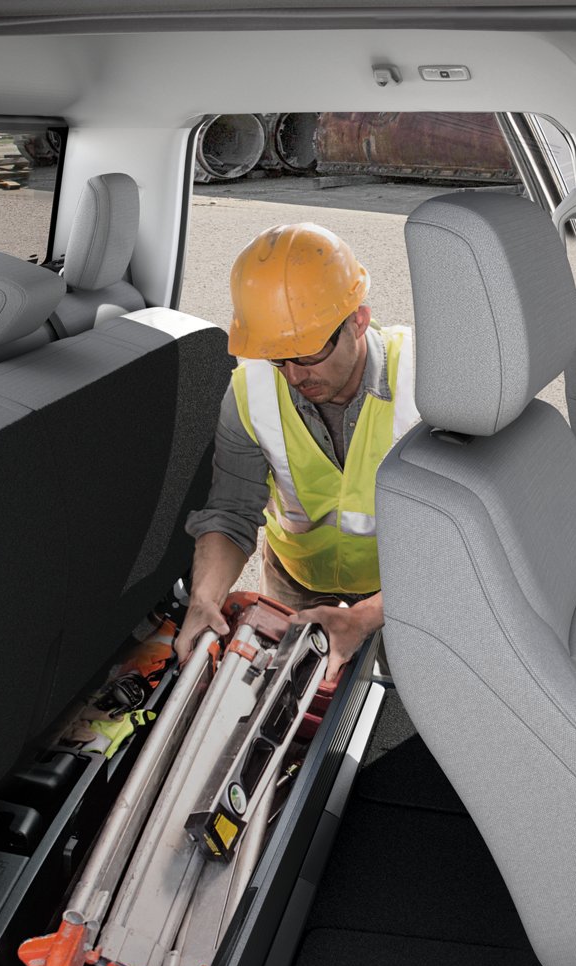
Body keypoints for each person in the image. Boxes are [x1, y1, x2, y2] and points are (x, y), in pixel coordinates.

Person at [177, 223, 415, 677]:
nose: (292, 376)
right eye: (276, 357)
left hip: (399, 585)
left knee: (401, 700)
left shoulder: (424, 384)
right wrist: (204, 600)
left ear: (358, 321)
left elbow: (455, 547)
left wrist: (364, 618)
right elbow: (230, 512)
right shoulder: (250, 392)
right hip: (294, 576)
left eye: (306, 354)